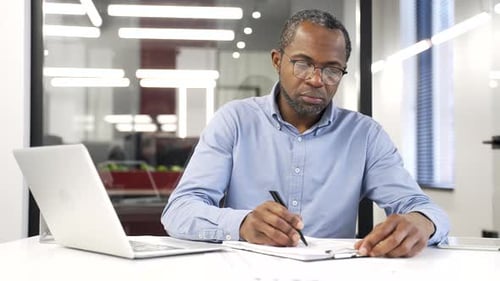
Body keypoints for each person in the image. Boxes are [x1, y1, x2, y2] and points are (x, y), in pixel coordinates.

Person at [161, 9, 449, 258]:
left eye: (332, 71)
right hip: (247, 270)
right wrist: (242, 223)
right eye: (303, 64)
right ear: (277, 61)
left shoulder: (364, 135)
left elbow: (421, 207)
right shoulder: (235, 120)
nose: (316, 80)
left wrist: (421, 223)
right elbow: (180, 211)